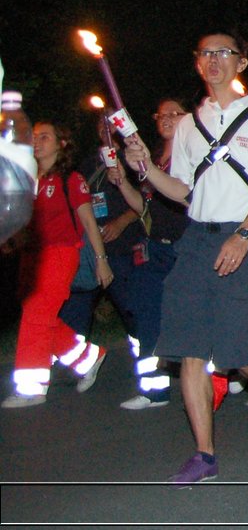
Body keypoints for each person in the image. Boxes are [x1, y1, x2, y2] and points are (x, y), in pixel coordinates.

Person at [124, 33, 248, 485]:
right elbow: (184, 192)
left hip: (245, 233)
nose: (213, 60)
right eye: (205, 53)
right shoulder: (188, 125)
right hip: (197, 239)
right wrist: (146, 169)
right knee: (187, 349)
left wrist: (245, 234)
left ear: (241, 63)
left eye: (223, 53)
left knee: (242, 355)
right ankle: (204, 455)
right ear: (197, 63)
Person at [3, 120, 111, 407]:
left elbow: (89, 222)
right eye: (34, 137)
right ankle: (88, 357)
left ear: (61, 143)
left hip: (61, 254)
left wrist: (101, 261)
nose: (37, 141)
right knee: (40, 316)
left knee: (36, 315)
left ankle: (31, 387)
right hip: (32, 256)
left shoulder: (71, 179)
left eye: (45, 137)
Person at [57, 128, 153, 407]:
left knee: (132, 309)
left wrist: (121, 223)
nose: (106, 128)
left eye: (112, 122)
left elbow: (147, 200)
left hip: (124, 249)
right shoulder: (88, 163)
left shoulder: (133, 158)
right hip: (90, 251)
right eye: (101, 122)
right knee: (75, 310)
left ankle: (148, 366)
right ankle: (80, 364)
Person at [121, 99, 190, 408]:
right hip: (155, 249)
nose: (167, 118)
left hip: (187, 248)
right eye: (161, 114)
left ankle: (227, 375)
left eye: (174, 113)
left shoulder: (193, 152)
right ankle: (154, 389)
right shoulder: (154, 158)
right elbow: (143, 208)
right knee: (146, 312)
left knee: (194, 318)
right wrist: (122, 180)